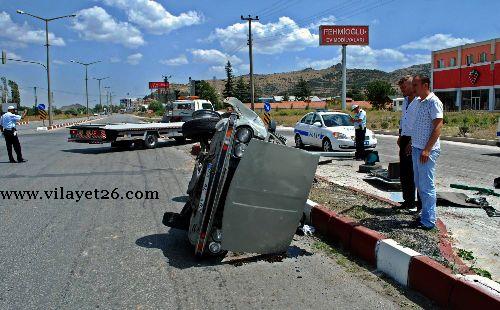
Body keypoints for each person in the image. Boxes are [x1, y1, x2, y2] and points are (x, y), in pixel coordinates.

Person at [410, 75, 443, 230]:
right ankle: (424, 216)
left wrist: (427, 149)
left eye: (415, 85)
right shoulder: (419, 102)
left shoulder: (434, 102)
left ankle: (429, 221)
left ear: (425, 85)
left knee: (427, 186)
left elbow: (438, 127)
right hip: (417, 148)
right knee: (419, 184)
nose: (413, 88)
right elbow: (418, 125)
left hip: (426, 151)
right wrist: (412, 143)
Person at [396, 76, 421, 212]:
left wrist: (412, 142)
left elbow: (420, 123)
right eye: (401, 88)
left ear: (413, 85)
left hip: (415, 139)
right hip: (404, 138)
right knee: (405, 172)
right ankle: (408, 201)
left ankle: (419, 205)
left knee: (416, 173)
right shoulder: (405, 101)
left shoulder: (420, 101)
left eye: (404, 87)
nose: (402, 90)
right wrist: (400, 136)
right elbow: (403, 120)